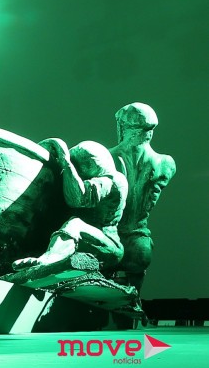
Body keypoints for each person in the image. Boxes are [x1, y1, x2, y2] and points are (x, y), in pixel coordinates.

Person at [12, 139, 127, 272]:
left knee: (75, 224)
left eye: (81, 166)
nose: (78, 171)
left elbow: (79, 199)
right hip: (79, 240)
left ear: (95, 164)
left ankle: (50, 259)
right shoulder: (81, 179)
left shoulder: (113, 181)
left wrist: (65, 161)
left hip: (109, 246)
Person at [109, 103, 176, 292]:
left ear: (123, 126)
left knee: (103, 294)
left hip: (111, 240)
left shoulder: (107, 157)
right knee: (133, 296)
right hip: (139, 244)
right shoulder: (166, 163)